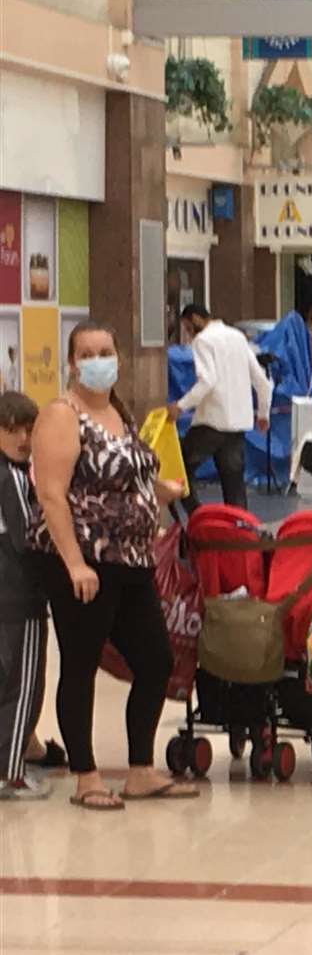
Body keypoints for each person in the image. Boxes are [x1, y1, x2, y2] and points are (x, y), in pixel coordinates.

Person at [30, 322, 195, 810]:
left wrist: (158, 492)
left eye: (105, 351)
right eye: (87, 353)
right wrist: (75, 563)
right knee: (80, 665)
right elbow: (51, 494)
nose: (98, 360)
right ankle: (86, 776)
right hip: (84, 563)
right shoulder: (62, 415)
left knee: (155, 661)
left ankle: (140, 771)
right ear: (72, 362)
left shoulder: (118, 412)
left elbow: (122, 476)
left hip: (133, 562)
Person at [169, 304, 271, 511]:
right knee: (234, 485)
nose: (188, 335)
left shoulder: (203, 340)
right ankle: (240, 532)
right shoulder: (237, 337)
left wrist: (180, 406)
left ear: (196, 318)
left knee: (179, 470)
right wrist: (263, 413)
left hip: (211, 423)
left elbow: (207, 381)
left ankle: (198, 516)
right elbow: (261, 380)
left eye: (188, 328)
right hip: (237, 425)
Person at [0, 392, 48, 800]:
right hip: (20, 597)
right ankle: (11, 772)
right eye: (11, 429)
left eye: (28, 429)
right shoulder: (13, 478)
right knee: (23, 685)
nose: (21, 438)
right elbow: (28, 537)